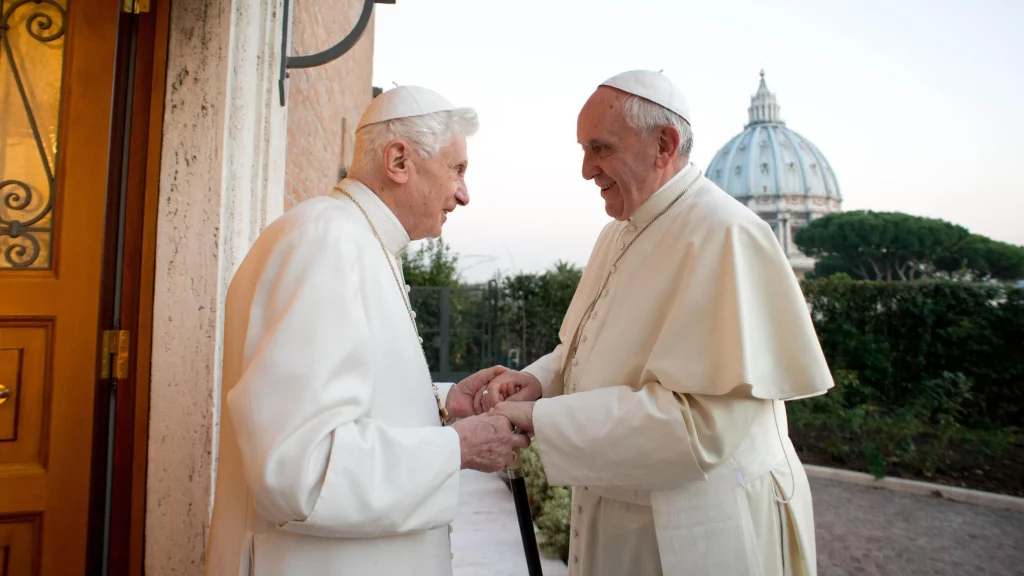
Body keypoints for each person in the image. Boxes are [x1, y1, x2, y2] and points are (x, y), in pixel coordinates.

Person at [475, 70, 835, 576]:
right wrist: (537, 381)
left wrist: (539, 420)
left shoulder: (725, 234)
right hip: (618, 511)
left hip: (696, 527)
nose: (585, 170)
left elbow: (700, 427)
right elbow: (584, 348)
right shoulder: (618, 233)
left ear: (663, 144)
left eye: (599, 149)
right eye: (583, 150)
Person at [203, 85, 530, 576]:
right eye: (457, 169)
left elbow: (351, 407)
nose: (464, 194)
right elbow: (299, 469)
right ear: (399, 160)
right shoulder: (327, 242)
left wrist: (443, 411)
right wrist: (458, 447)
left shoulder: (358, 240)